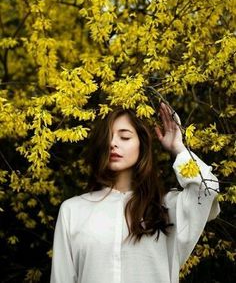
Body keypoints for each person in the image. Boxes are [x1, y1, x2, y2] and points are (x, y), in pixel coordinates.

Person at [50, 102, 220, 283]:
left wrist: (178, 148)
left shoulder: (167, 208)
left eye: (124, 137)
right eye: (108, 137)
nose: (113, 143)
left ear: (142, 144)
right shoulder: (73, 210)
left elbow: (206, 190)